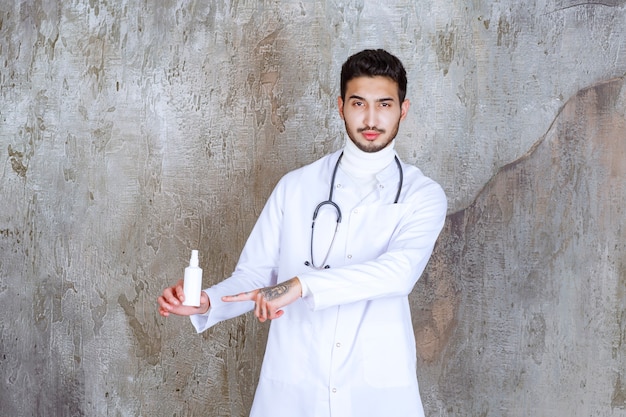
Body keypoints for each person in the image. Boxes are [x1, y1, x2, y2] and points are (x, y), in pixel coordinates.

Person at [157, 49, 447, 417]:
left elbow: (399, 272)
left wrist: (302, 285)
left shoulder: (422, 195)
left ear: (403, 110)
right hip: (294, 388)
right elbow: (256, 276)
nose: (371, 118)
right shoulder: (295, 187)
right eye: (359, 103)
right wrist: (208, 302)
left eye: (384, 104)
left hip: (376, 393)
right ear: (341, 106)